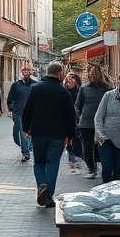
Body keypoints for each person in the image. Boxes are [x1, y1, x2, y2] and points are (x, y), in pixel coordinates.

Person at [21, 61, 77, 208]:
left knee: (39, 162)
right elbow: (70, 116)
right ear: (60, 73)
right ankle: (48, 195)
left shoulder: (35, 88)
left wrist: (26, 128)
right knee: (53, 162)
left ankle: (41, 185)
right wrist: (71, 136)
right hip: (57, 135)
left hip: (38, 133)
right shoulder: (63, 91)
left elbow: (27, 110)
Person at [75, 64, 110, 180]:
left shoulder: (107, 89)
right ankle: (95, 168)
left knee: (90, 147)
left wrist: (81, 116)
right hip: (93, 122)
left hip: (91, 122)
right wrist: (81, 117)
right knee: (96, 146)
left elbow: (77, 105)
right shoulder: (108, 89)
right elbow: (77, 105)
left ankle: (92, 169)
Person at [6, 64, 36, 162]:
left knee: (29, 133)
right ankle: (25, 152)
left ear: (31, 71)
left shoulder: (35, 85)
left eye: (28, 70)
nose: (26, 72)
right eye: (24, 70)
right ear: (21, 72)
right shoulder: (16, 85)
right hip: (19, 112)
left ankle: (28, 148)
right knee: (23, 132)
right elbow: (10, 99)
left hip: (31, 113)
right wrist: (10, 109)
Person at [62, 71, 84, 173]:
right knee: (68, 141)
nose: (69, 82)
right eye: (68, 80)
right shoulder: (63, 91)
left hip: (78, 119)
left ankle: (77, 159)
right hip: (66, 119)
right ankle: (72, 160)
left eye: (72, 80)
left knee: (77, 139)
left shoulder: (80, 91)